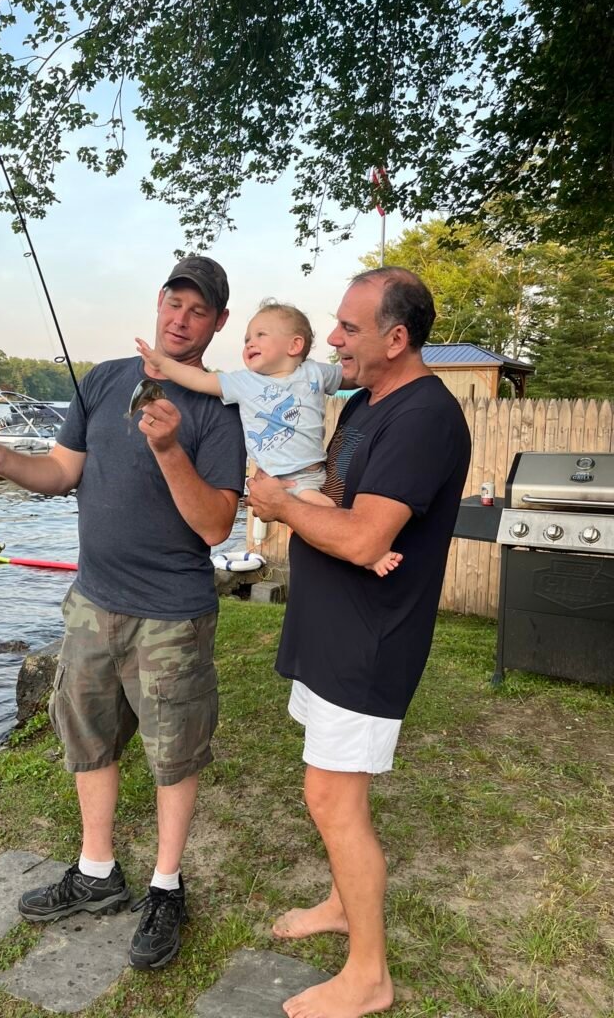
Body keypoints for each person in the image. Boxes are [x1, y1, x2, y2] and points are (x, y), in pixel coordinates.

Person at [0, 255, 246, 972]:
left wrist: (169, 448)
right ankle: (97, 870)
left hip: (172, 614)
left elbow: (214, 528)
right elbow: (62, 472)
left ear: (218, 324)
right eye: (174, 302)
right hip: (92, 603)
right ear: (159, 304)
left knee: (174, 754)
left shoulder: (220, 409)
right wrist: (1, 458)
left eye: (198, 310)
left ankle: (167, 886)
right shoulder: (105, 380)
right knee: (89, 739)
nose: (180, 318)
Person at [246, 267, 471, 1018]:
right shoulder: (367, 405)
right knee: (330, 792)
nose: (333, 339)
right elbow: (340, 503)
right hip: (330, 628)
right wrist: (291, 498)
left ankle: (369, 976)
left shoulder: (424, 418)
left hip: (371, 640)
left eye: (348, 327)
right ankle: (344, 905)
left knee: (332, 800)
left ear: (397, 338)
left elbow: (366, 535)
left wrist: (280, 505)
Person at [136, 299, 401, 578]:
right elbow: (198, 379)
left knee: (331, 515)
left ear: (294, 346)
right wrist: (163, 363)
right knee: (323, 509)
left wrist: (386, 369)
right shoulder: (244, 382)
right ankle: (370, 556)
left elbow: (355, 375)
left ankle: (369, 551)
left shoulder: (314, 372)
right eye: (247, 339)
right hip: (280, 482)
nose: (249, 343)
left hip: (312, 474)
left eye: (260, 335)